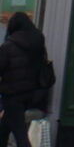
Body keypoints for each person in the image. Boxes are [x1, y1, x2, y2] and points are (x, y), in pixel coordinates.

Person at [0, 13, 48, 147]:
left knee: (21, 136)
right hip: (31, 94)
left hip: (12, 95)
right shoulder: (38, 43)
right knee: (3, 131)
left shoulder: (8, 46)